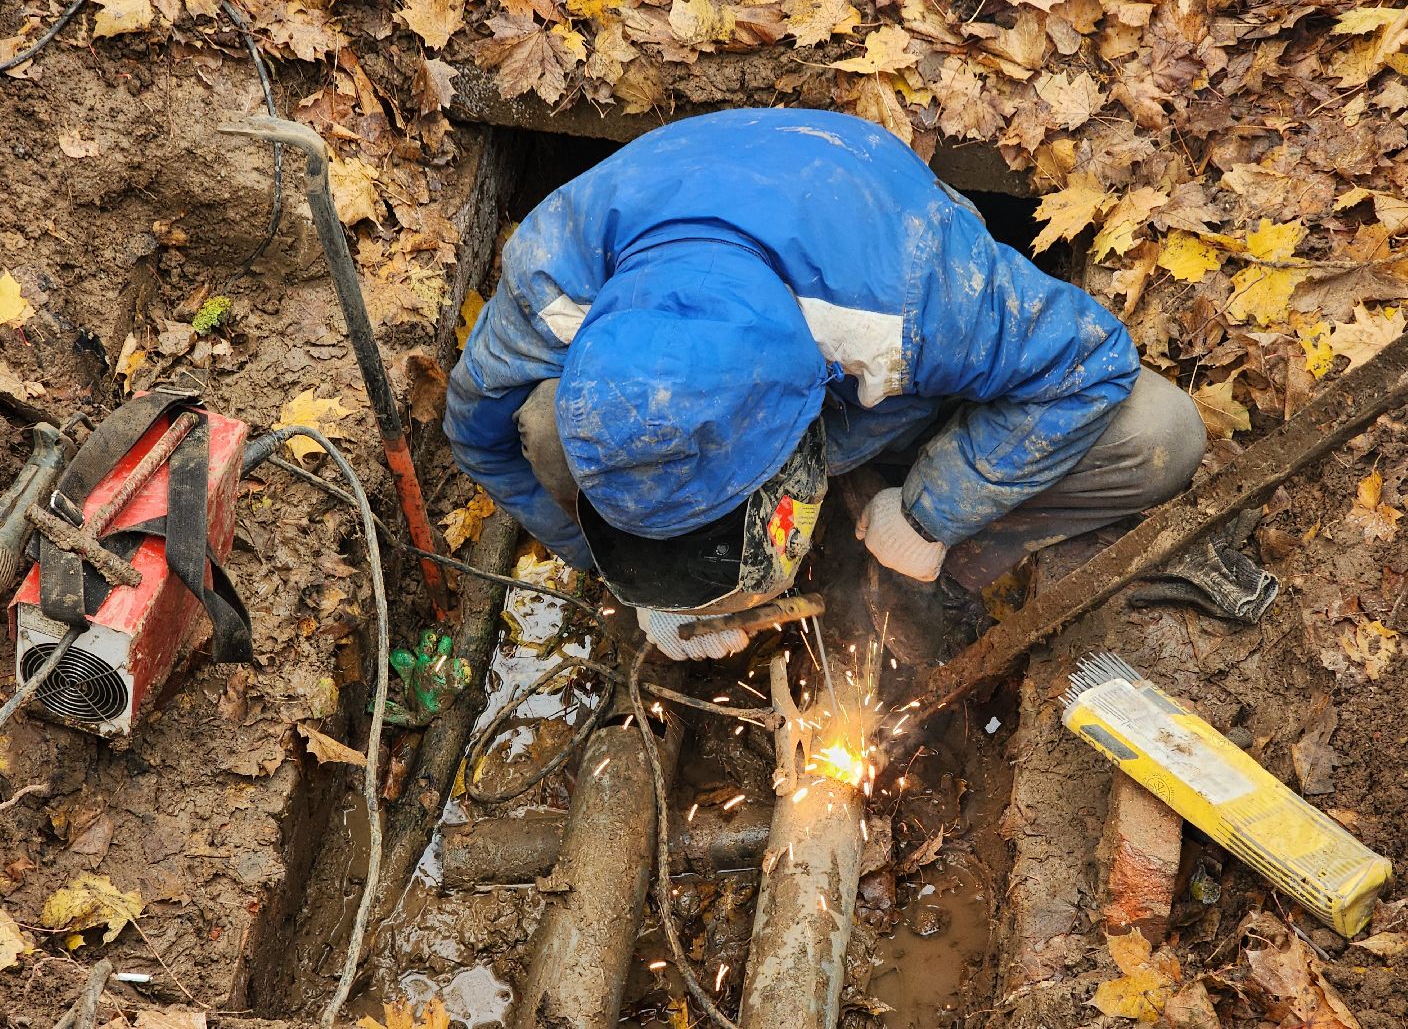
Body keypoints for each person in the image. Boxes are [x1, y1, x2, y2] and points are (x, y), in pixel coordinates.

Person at [444, 108, 1206, 660]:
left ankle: (936, 571)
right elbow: (476, 434)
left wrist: (933, 512)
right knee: (543, 426)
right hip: (751, 261)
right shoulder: (554, 276)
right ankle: (736, 555)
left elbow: (1092, 364)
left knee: (1159, 437)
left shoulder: (920, 299)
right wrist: (632, 583)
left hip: (899, 362)